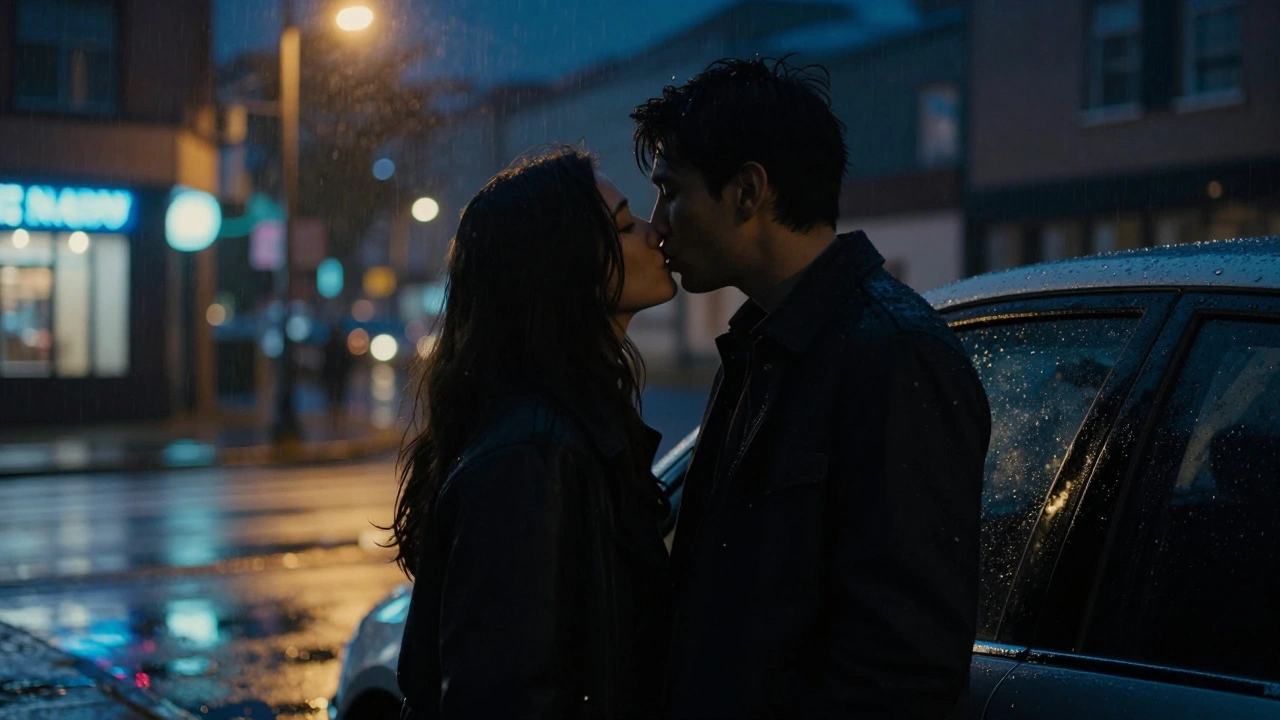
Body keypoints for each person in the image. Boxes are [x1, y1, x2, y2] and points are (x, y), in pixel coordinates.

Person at [631, 57, 992, 719]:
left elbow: (901, 668)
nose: (657, 224)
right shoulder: (760, 347)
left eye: (670, 191)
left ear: (747, 192)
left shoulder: (893, 357)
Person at [387, 146, 678, 719]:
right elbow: (502, 698)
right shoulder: (530, 457)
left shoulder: (570, 427)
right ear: (565, 266)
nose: (655, 232)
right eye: (625, 227)